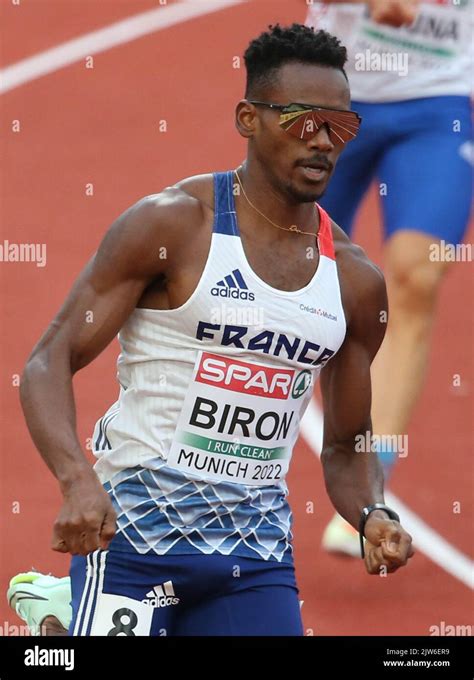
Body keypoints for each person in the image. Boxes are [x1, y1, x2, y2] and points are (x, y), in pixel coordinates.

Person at [10, 24, 413, 637]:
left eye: (340, 126)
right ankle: (65, 624)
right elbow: (47, 361)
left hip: (254, 555)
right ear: (249, 119)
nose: (324, 142)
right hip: (132, 536)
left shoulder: (355, 283)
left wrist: (373, 513)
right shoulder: (174, 227)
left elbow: (345, 447)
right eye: (303, 121)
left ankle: (66, 622)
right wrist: (77, 482)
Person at [303, 0, 473, 555]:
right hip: (333, 92)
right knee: (287, 270)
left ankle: (369, 485)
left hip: (439, 101)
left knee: (415, 277)